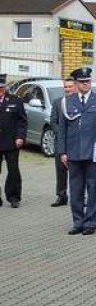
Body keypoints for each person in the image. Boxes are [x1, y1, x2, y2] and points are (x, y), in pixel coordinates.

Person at [58, 67, 96, 235]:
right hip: (74, 152)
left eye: (88, 81)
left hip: (94, 152)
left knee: (94, 188)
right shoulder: (67, 102)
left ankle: (90, 222)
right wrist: (62, 152)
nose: (85, 84)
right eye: (82, 82)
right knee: (75, 189)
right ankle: (78, 222)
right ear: (75, 83)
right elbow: (62, 130)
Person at [0, 74, 27, 208]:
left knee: (13, 171)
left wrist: (20, 137)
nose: (0, 90)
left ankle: (13, 197)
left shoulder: (15, 101)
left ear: (5, 87)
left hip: (11, 141)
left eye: (2, 88)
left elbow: (22, 121)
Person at [50, 78, 76, 207]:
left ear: (75, 87)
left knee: (77, 172)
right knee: (60, 171)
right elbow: (53, 121)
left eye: (70, 86)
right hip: (61, 142)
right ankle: (61, 195)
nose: (68, 89)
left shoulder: (80, 102)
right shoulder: (58, 102)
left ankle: (79, 197)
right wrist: (62, 136)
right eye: (66, 87)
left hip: (76, 144)